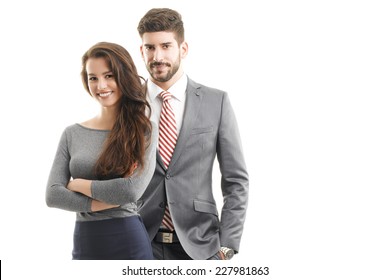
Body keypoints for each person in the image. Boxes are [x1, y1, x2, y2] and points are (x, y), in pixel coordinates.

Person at [136, 8, 249, 260]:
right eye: (150, 48)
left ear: (183, 49)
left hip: (201, 247)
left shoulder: (215, 101)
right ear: (141, 50)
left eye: (166, 46)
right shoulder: (127, 104)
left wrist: (228, 244)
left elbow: (236, 180)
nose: (157, 56)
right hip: (138, 242)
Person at [46, 42, 157, 260]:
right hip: (85, 240)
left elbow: (131, 191)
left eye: (109, 76)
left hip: (128, 239)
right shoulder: (72, 134)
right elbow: (53, 195)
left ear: (123, 77)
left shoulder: (143, 130)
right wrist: (102, 201)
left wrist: (79, 184)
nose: (101, 85)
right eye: (93, 78)